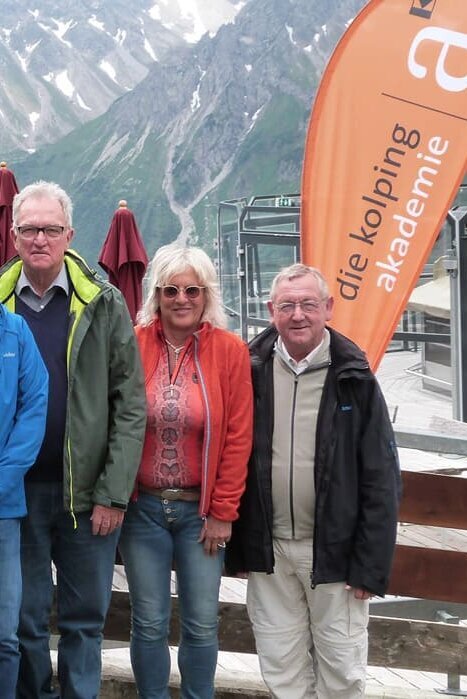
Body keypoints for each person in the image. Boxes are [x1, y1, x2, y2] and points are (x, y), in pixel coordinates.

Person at [226, 263, 401, 699]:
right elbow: (231, 456)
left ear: (328, 308)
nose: (298, 314)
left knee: (341, 670)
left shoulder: (354, 378)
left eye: (308, 304)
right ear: (271, 311)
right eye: (287, 305)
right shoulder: (250, 370)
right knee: (281, 667)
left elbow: (381, 478)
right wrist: (241, 545)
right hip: (271, 553)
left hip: (336, 556)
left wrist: (370, 565)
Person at [0, 180, 147, 699]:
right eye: (30, 229)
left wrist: (112, 493)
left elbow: (131, 405)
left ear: (70, 235)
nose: (40, 238)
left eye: (51, 229)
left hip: (86, 496)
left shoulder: (103, 303)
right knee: (25, 620)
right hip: (14, 495)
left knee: (86, 622)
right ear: (14, 236)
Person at [118, 244, 253, 699]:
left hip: (201, 514)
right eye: (171, 289)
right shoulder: (133, 344)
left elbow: (238, 437)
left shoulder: (230, 351)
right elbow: (116, 421)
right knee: (149, 621)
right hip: (144, 511)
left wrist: (223, 511)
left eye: (192, 289)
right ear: (156, 294)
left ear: (206, 294)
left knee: (201, 622)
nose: (182, 298)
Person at [0, 304, 48, 699]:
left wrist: (1, 481)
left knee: (4, 636)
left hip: (3, 509)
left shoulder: (15, 331)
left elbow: (34, 409)